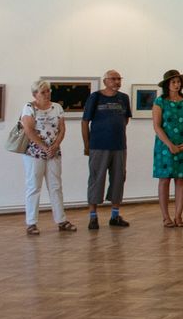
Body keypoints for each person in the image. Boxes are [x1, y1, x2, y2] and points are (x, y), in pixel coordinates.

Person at [19, 79, 73, 235]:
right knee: (34, 187)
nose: (47, 94)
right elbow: (29, 130)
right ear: (35, 94)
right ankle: (31, 223)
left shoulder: (57, 107)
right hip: (34, 153)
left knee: (56, 186)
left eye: (48, 91)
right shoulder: (29, 107)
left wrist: (54, 146)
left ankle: (61, 220)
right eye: (43, 92)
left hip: (54, 152)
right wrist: (44, 147)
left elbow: (62, 129)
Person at [81, 69, 132, 230]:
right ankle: (93, 217)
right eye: (113, 79)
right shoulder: (95, 97)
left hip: (119, 146)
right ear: (105, 81)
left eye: (119, 79)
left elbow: (125, 119)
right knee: (96, 179)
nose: (117, 82)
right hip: (98, 145)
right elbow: (85, 121)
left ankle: (115, 215)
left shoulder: (124, 98)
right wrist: (86, 144)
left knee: (118, 179)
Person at [152, 69, 183, 227]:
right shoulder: (160, 101)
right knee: (164, 180)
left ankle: (178, 216)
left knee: (181, 180)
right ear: (167, 84)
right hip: (164, 146)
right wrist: (170, 145)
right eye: (173, 82)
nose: (177, 85)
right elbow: (157, 126)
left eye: (178, 82)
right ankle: (166, 217)